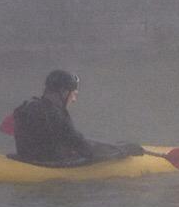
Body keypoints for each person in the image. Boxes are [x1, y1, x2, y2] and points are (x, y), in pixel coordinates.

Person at [9, 69, 142, 166]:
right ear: (63, 92)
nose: (74, 99)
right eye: (74, 94)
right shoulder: (55, 115)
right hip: (48, 165)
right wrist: (123, 151)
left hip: (25, 160)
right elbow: (87, 150)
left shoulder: (28, 106)